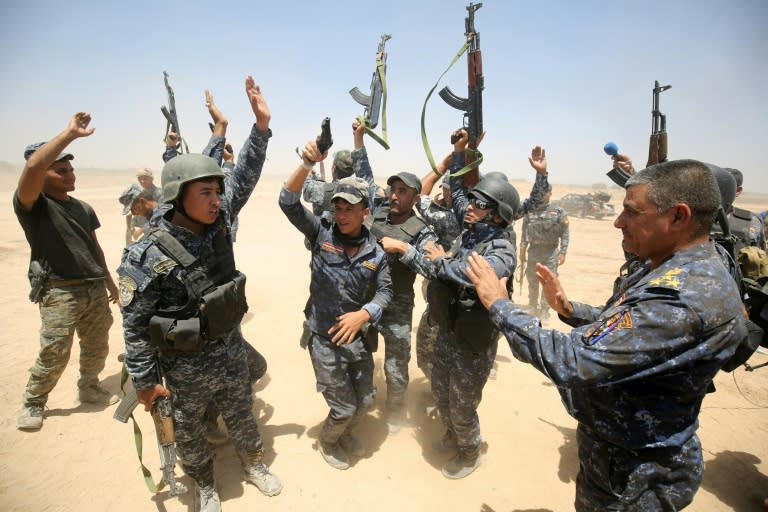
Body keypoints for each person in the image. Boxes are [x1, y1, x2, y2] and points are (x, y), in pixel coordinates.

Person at [466, 159, 747, 510]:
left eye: (631, 212)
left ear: (678, 216)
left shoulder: (684, 297)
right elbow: (628, 325)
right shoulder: (670, 269)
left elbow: (573, 359)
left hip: (637, 477)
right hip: (615, 456)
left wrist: (499, 305)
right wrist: (572, 310)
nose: (618, 221)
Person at [118, 76, 281, 510]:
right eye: (205, 193)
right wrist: (147, 384)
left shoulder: (219, 219)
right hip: (184, 363)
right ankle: (205, 485)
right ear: (176, 197)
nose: (216, 200)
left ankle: (254, 462)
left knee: (243, 411)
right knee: (189, 430)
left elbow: (243, 174)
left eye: (216, 192)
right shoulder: (145, 255)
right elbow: (134, 330)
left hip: (228, 347)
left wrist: (261, 127)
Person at [383, 129, 550, 479]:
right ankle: (452, 434)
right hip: (448, 329)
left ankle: (469, 450)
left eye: (479, 203)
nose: (469, 206)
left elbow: (464, 272)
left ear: (497, 213)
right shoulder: (472, 228)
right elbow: (457, 191)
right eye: (473, 201)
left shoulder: (500, 248)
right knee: (441, 392)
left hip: (473, 342)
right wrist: (459, 153)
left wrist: (418, 254)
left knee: (461, 405)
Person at [279, 137, 393, 471]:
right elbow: (288, 202)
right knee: (343, 408)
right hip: (325, 340)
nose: (342, 215)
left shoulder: (376, 253)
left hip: (357, 341)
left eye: (350, 209)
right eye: (338, 208)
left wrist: (364, 313)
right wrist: (306, 164)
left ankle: (344, 434)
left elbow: (385, 293)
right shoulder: (321, 234)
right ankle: (329, 441)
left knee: (367, 400)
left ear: (365, 212)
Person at [14, 112, 120, 431]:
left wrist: (109, 283)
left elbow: (95, 248)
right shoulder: (34, 206)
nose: (70, 174)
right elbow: (33, 167)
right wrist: (70, 134)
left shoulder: (82, 208)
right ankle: (34, 401)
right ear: (42, 175)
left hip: (92, 288)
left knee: (97, 344)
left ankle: (89, 387)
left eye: (71, 169)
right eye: (61, 170)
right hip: (59, 291)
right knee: (55, 350)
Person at [519, 183, 569, 318]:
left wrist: (563, 252)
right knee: (532, 279)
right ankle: (532, 306)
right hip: (533, 250)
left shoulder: (558, 212)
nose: (541, 195)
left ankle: (545, 310)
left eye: (544, 192)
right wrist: (522, 251)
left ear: (550, 194)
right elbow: (524, 233)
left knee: (548, 281)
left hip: (551, 252)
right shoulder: (529, 211)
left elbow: (565, 233)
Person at [119, 168, 163, 245]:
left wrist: (141, 230)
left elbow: (160, 216)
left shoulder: (159, 193)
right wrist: (132, 224)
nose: (142, 181)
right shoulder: (140, 194)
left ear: (151, 179)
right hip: (144, 230)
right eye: (140, 179)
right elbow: (138, 213)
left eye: (145, 178)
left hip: (155, 230)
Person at [726, 168, 766, 250]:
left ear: (738, 191)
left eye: (725, 186)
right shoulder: (695, 216)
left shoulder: (752, 220)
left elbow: (760, 257)